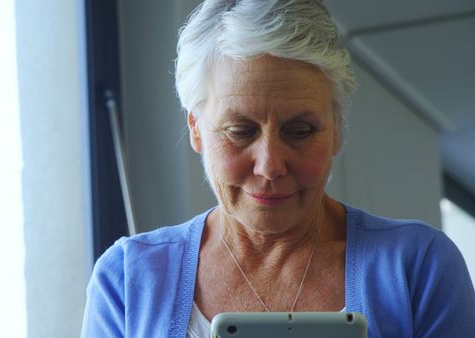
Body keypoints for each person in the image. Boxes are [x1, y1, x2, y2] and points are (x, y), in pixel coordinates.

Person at [81, 0, 475, 337]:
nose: (270, 166)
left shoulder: (416, 269)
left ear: (337, 130)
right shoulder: (128, 281)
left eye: (300, 131)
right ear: (196, 129)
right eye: (240, 131)